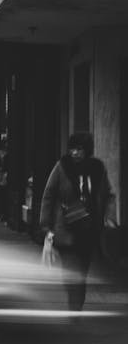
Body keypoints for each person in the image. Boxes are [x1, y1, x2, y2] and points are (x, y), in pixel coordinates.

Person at [39, 131, 113, 312]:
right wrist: (46, 226)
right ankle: (74, 305)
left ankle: (77, 303)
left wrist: (108, 216)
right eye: (72, 149)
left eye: (79, 149)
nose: (75, 153)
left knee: (82, 273)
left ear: (86, 150)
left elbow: (106, 194)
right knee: (71, 273)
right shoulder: (62, 167)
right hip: (66, 230)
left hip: (89, 230)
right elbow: (48, 195)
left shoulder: (97, 168)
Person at [0, 135, 9, 223]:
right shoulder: (1, 153)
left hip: (8, 176)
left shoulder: (9, 152)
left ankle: (5, 215)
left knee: (5, 197)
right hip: (1, 176)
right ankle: (0, 214)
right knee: (0, 196)